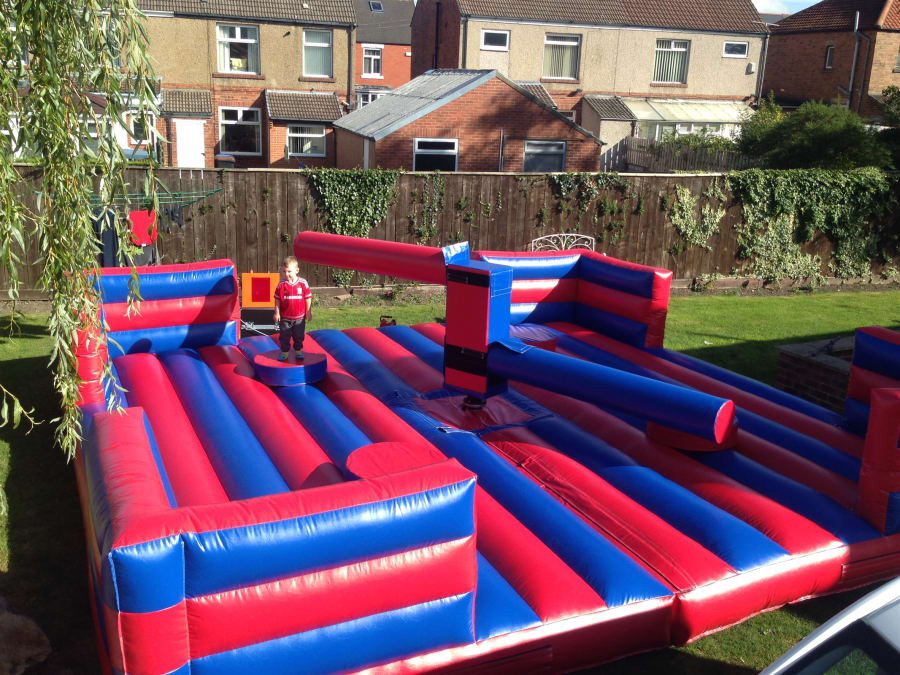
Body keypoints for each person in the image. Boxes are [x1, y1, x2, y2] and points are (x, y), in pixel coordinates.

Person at [273, 256, 312, 361]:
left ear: (297, 270)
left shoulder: (302, 283)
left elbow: (308, 298)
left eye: (289, 271)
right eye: (284, 271)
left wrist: (308, 311)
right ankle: (285, 352)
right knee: (284, 336)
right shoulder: (281, 284)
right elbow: (277, 299)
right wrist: (277, 313)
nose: (286, 274)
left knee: (299, 335)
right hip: (285, 317)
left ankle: (298, 350)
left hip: (299, 317)